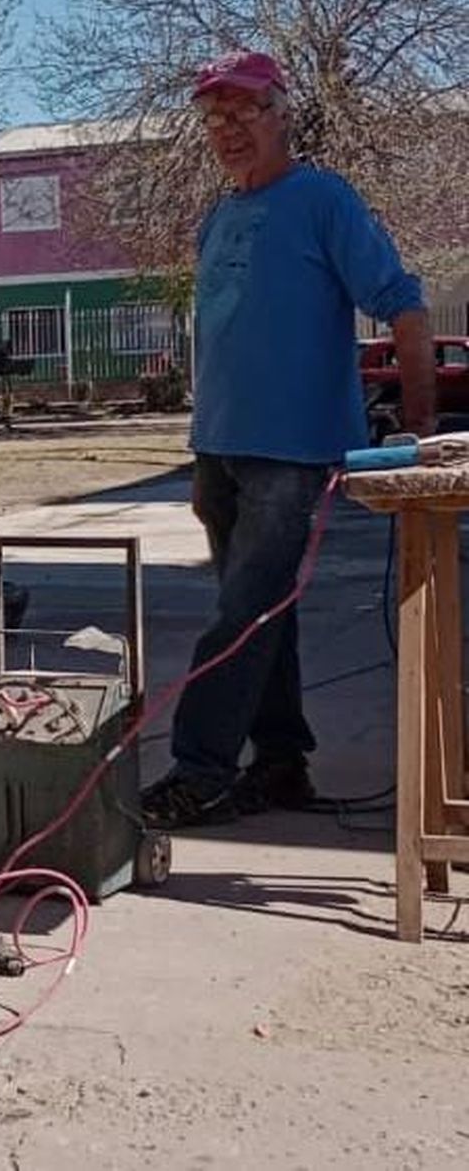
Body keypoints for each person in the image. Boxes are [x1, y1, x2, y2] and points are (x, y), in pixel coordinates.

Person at [141, 50, 436, 829]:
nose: (228, 129)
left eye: (244, 111)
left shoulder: (323, 200)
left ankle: (200, 769)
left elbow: (403, 305)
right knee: (265, 609)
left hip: (292, 453)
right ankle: (280, 762)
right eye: (214, 117)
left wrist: (422, 422)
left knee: (242, 612)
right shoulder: (220, 214)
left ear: (281, 114)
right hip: (220, 448)